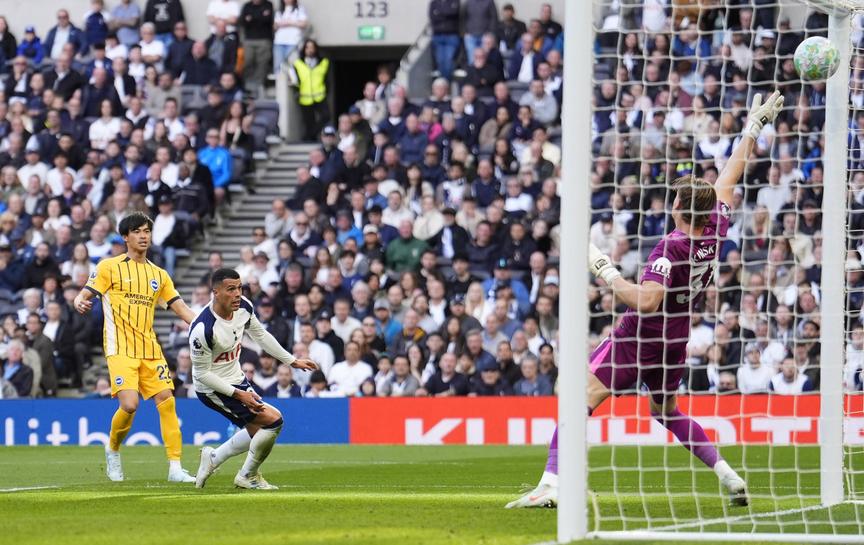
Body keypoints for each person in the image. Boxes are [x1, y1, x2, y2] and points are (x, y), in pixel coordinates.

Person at [506, 90, 786, 509]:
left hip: (642, 334)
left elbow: (648, 300)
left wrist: (605, 270)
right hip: (676, 337)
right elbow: (730, 176)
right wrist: (753, 128)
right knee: (665, 411)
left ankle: (552, 483)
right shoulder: (715, 226)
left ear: (679, 208)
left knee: (577, 397)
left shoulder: (670, 248)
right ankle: (728, 475)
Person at [73, 212, 199, 483]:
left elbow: (181, 308)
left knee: (166, 400)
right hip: (119, 348)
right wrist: (78, 301)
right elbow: (84, 294)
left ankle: (175, 467)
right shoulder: (109, 267)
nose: (144, 236)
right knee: (130, 405)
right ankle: (113, 448)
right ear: (125, 237)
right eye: (137, 231)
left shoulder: (159, 274)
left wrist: (204, 325)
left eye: (147, 231)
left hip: (150, 349)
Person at [191, 268, 318, 489]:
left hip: (236, 379)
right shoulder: (203, 329)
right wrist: (239, 394)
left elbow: (260, 335)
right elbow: (202, 374)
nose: (237, 294)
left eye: (239, 288)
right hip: (213, 388)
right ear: (216, 292)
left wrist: (292, 361)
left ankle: (213, 458)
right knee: (273, 421)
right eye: (231, 289)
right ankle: (247, 475)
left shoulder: (244, 307)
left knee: (257, 431)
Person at [292, 39, 330, 142]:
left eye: (312, 47)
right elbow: (295, 80)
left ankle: (309, 135)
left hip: (320, 95)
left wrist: (327, 91)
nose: (310, 50)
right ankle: (310, 138)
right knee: (309, 121)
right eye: (307, 47)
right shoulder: (298, 63)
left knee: (326, 116)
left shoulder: (323, 62)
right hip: (305, 97)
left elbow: (327, 79)